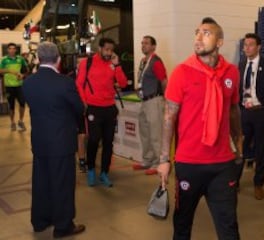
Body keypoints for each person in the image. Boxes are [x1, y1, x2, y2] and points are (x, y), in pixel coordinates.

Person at [157, 17, 242, 240]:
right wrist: (164, 159)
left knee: (229, 226)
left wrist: (238, 139)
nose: (198, 37)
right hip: (189, 163)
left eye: (206, 33)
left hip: (222, 164)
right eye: (197, 32)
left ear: (220, 41)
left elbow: (233, 110)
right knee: (182, 224)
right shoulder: (182, 72)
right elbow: (169, 117)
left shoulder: (231, 72)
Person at [22, 42, 85, 238]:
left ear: (39, 59)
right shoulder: (65, 83)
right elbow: (79, 109)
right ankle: (63, 226)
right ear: (58, 60)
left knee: (41, 182)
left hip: (40, 141)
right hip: (61, 141)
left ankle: (40, 221)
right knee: (62, 184)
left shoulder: (28, 82)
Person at [76, 37, 127, 187]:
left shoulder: (113, 63)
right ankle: (91, 169)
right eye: (106, 49)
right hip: (93, 108)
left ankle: (104, 173)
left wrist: (117, 66)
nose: (109, 52)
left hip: (110, 108)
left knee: (108, 143)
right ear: (100, 48)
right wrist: (84, 102)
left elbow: (123, 83)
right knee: (93, 140)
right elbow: (78, 84)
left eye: (111, 50)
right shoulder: (88, 62)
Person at [237, 33, 264, 200]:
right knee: (240, 148)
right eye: (245, 45)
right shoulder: (240, 65)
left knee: (261, 149)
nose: (246, 48)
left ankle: (258, 184)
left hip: (261, 112)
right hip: (244, 113)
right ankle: (235, 181)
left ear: (258, 47)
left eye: (250, 45)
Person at [132, 35, 167, 175]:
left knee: (155, 134)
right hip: (144, 101)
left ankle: (158, 162)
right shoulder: (143, 61)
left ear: (153, 46)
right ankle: (147, 159)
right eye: (142, 43)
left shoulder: (156, 62)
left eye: (146, 43)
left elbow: (164, 81)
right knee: (145, 132)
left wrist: (165, 100)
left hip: (155, 101)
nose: (143, 45)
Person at [0, 43, 28, 131]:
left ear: (16, 50)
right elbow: (0, 71)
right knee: (11, 106)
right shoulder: (4, 60)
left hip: (20, 85)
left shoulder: (21, 59)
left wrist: (22, 76)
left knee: (22, 103)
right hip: (9, 86)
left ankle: (20, 121)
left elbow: (26, 70)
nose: (12, 50)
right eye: (10, 49)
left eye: (13, 49)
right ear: (8, 50)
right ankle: (12, 122)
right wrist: (9, 71)